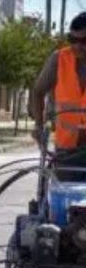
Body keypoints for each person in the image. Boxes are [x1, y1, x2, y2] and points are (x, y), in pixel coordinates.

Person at [30, 11, 86, 176]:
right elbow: (38, 91)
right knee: (63, 198)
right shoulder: (59, 59)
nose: (78, 46)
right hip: (66, 151)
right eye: (73, 40)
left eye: (84, 41)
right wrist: (38, 126)